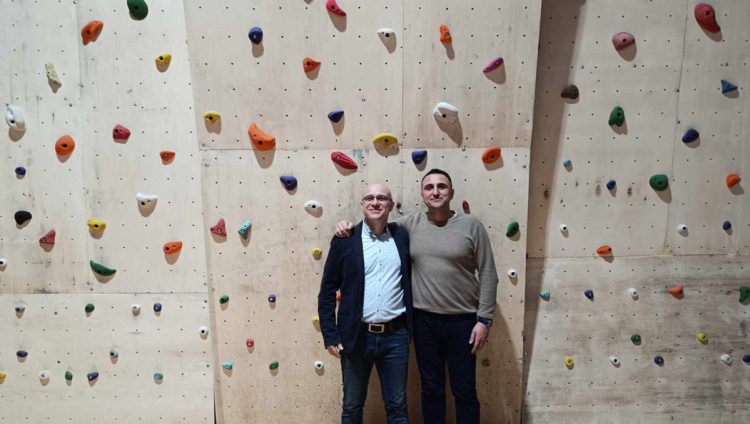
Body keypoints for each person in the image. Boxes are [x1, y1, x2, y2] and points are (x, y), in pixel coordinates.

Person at [336, 169, 498, 424]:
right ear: (422, 194)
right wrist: (347, 226)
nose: (435, 192)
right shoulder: (407, 226)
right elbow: (376, 222)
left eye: (442, 186)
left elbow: (489, 273)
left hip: (463, 322)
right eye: (429, 187)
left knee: (465, 391)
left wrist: (484, 319)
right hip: (423, 322)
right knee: (431, 389)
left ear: (452, 192)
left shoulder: (471, 226)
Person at [318, 183, 413, 424]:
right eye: (369, 198)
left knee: (398, 406)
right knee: (352, 407)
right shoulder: (345, 239)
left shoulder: (402, 237)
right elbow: (327, 290)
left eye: (382, 198)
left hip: (396, 336)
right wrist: (330, 334)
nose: (375, 202)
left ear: (391, 205)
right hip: (356, 336)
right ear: (362, 205)